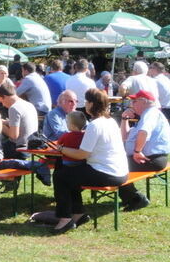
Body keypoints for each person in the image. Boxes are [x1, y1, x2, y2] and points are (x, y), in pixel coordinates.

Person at [51, 88, 129, 234]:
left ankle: (65, 219)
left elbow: (81, 154)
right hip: (120, 171)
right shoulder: (110, 121)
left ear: (92, 104)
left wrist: (61, 149)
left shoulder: (95, 125)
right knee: (69, 173)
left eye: (86, 101)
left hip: (107, 173)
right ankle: (77, 213)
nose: (85, 104)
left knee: (60, 176)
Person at [119, 90, 170, 211]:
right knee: (117, 165)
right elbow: (125, 136)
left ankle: (136, 199)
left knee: (116, 167)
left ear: (143, 102)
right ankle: (130, 198)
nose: (131, 104)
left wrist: (137, 152)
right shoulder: (147, 115)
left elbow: (144, 132)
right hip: (152, 157)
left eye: (134, 101)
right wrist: (124, 118)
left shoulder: (150, 114)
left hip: (152, 158)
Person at [0, 81, 38, 159]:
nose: (3, 105)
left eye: (2, 101)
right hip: (31, 145)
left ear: (5, 96)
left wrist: (0, 125)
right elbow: (23, 123)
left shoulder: (14, 108)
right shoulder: (29, 104)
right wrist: (6, 122)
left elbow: (13, 136)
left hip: (19, 149)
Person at [148, 62, 170, 128]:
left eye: (150, 68)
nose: (149, 70)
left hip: (169, 111)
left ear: (154, 69)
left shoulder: (155, 80)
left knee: (146, 113)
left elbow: (149, 96)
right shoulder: (165, 79)